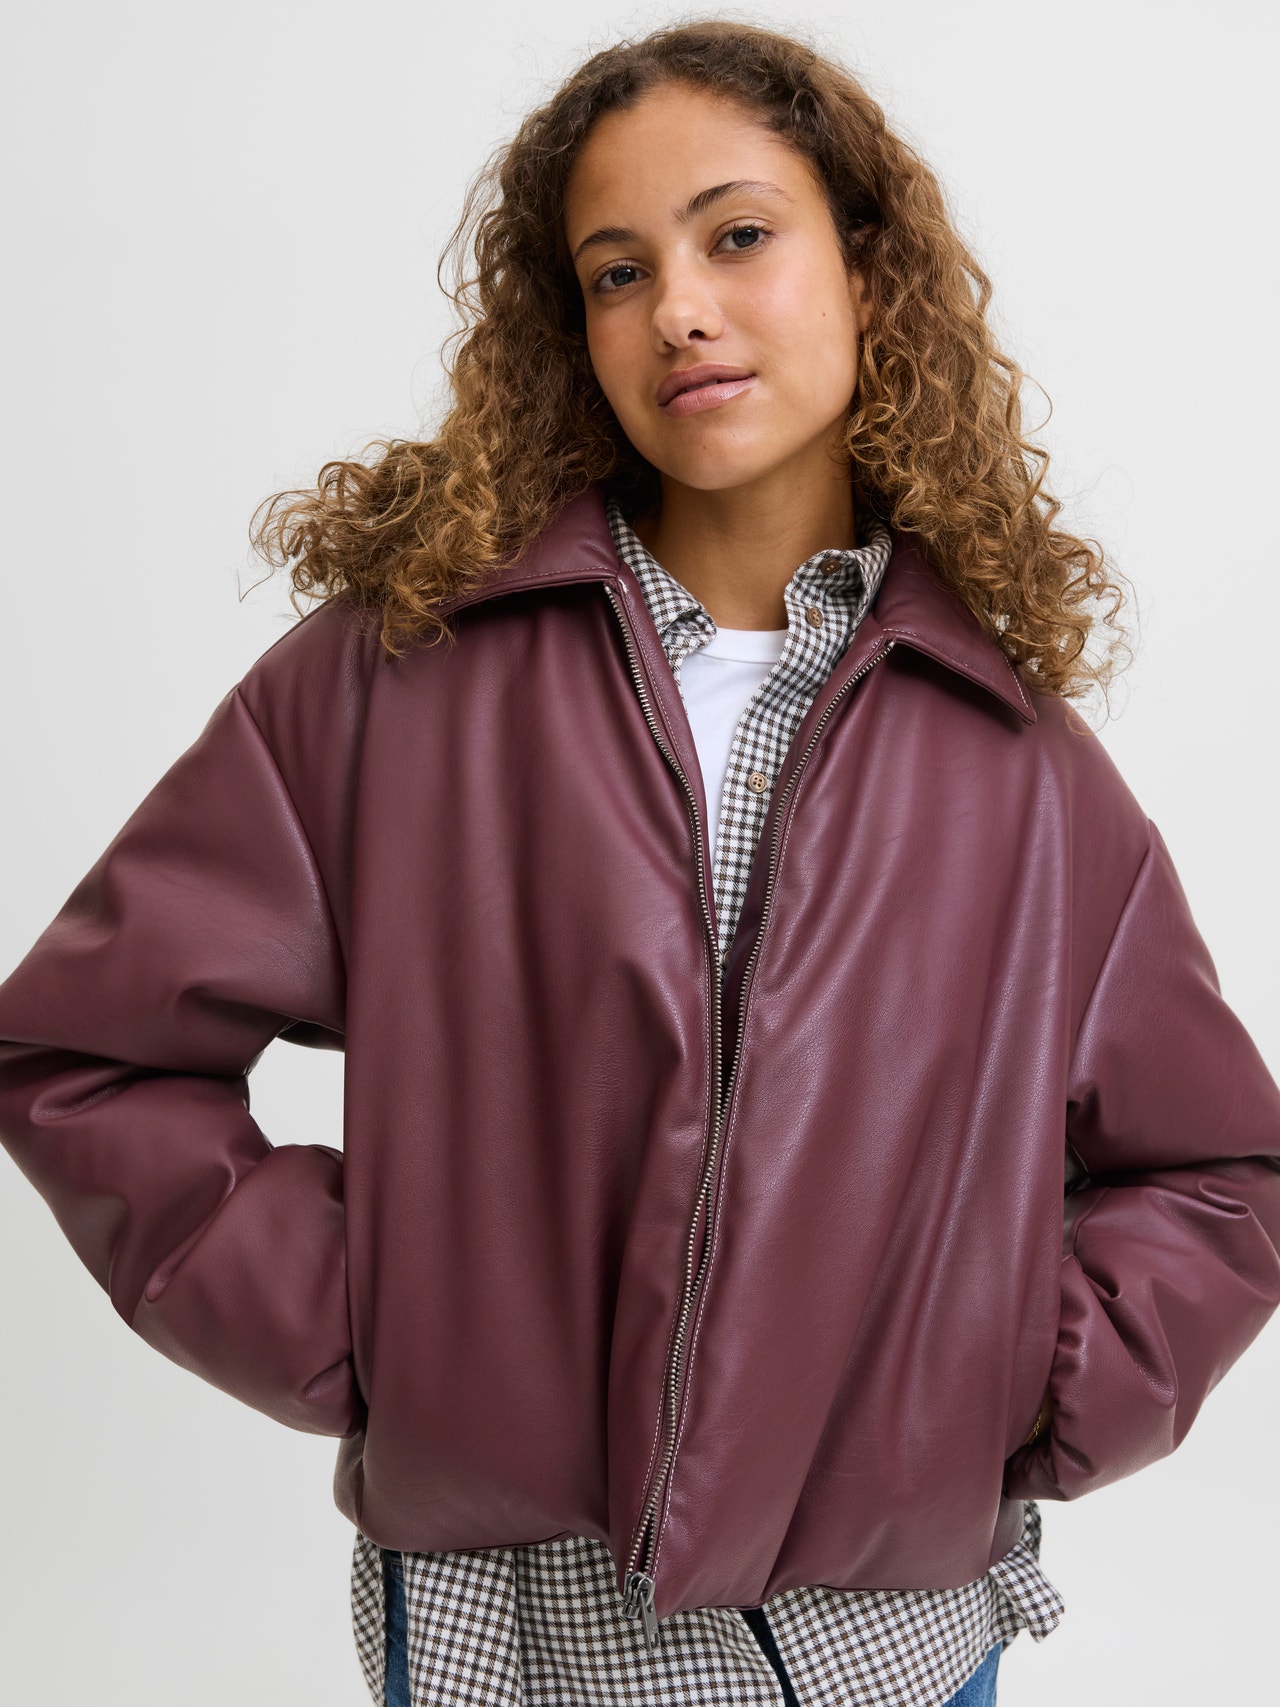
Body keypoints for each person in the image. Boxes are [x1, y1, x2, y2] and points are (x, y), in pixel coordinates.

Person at [1, 17, 1278, 1707]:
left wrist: (1014, 1375)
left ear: (869, 276)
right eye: (617, 272)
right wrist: (375, 1321)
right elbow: (89, 1050)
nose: (677, 306)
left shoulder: (1021, 763)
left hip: (886, 1657)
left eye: (737, 235)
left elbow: (1216, 1171)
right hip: (509, 1637)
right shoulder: (395, 682)